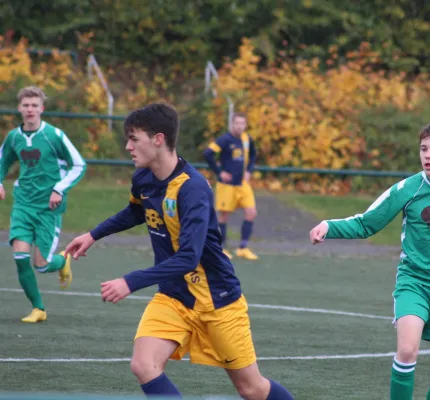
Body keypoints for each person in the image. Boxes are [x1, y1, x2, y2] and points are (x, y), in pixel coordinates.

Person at [64, 103, 293, 400]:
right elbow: (136, 211)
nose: (128, 146)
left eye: (134, 139)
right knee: (144, 365)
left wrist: (130, 281)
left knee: (252, 389)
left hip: (217, 301)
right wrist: (93, 234)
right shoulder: (144, 178)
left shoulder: (193, 188)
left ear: (158, 139)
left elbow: (189, 258)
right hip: (174, 297)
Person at [309, 123, 430, 399]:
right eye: (424, 149)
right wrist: (329, 226)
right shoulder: (407, 188)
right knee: (407, 350)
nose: (428, 156)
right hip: (415, 284)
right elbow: (367, 223)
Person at [0, 85, 86, 323]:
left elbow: (79, 165)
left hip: (49, 208)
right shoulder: (14, 137)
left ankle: (62, 261)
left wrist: (59, 188)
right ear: (19, 108)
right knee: (19, 257)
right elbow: (2, 161)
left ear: (42, 108)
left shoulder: (54, 135)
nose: (30, 110)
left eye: (34, 105)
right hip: (23, 205)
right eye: (26, 105)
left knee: (41, 264)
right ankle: (38, 308)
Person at [203, 112, 259, 260]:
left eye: (243, 123)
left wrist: (248, 171)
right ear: (232, 124)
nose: (240, 126)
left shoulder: (247, 139)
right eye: (237, 123)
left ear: (245, 125)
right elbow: (208, 153)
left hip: (243, 184)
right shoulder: (225, 139)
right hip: (227, 185)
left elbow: (253, 154)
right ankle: (221, 248)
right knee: (224, 216)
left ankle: (243, 247)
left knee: (251, 212)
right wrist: (219, 172)